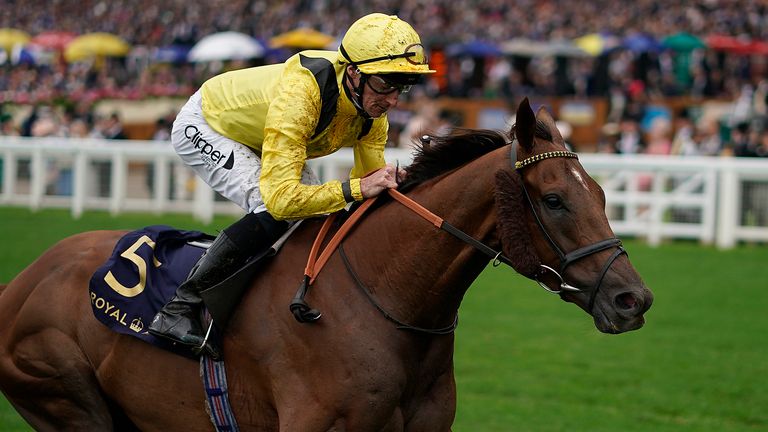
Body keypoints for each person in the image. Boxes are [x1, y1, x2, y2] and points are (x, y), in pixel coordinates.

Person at [148, 13, 435, 356]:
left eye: (400, 87)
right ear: (355, 73)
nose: (393, 101)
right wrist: (354, 189)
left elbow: (370, 182)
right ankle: (178, 308)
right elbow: (283, 200)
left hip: (263, 132)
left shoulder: (370, 110)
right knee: (273, 210)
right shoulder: (304, 93)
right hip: (211, 124)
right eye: (385, 84)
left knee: (317, 215)